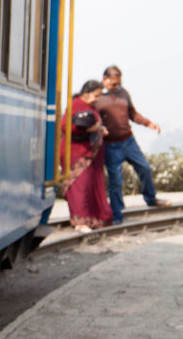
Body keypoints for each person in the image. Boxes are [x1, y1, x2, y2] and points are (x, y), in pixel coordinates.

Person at [94, 65, 171, 223]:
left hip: (129, 141)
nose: (117, 87)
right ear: (104, 80)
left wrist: (148, 123)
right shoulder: (98, 97)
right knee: (115, 180)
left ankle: (151, 198)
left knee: (144, 168)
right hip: (111, 146)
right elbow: (93, 118)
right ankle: (117, 213)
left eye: (119, 84)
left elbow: (132, 113)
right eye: (114, 84)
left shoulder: (124, 93)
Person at [61, 80, 112, 232]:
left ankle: (93, 219)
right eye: (96, 95)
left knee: (90, 187)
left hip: (90, 154)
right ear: (86, 93)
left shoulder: (90, 107)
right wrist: (91, 128)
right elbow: (66, 126)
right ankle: (80, 221)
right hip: (77, 153)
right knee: (79, 187)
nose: (98, 99)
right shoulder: (76, 104)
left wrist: (99, 129)